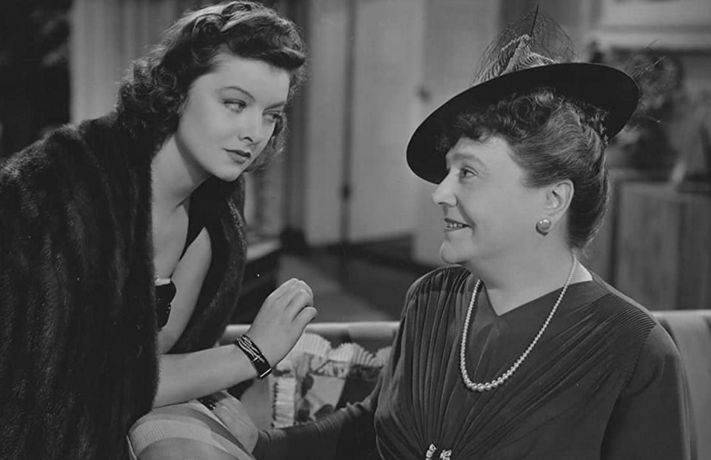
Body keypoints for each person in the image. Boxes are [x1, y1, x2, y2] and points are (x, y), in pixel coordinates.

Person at [250, 11, 693, 460]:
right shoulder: (431, 299)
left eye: (468, 173)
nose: (440, 193)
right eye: (448, 171)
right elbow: (372, 425)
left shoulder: (635, 351)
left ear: (553, 200)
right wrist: (253, 445)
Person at [0, 2, 316, 459]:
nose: (254, 132)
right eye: (235, 104)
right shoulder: (66, 185)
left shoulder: (215, 210)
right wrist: (251, 353)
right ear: (177, 91)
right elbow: (60, 388)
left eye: (271, 114)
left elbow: (141, 369)